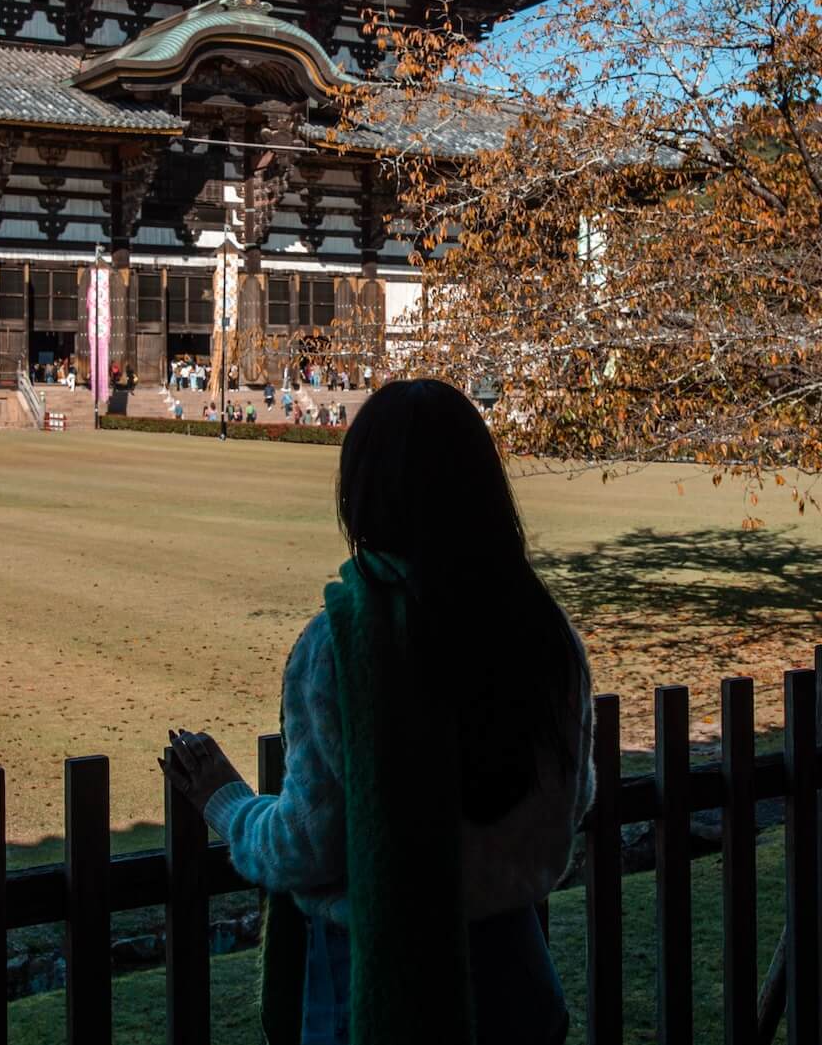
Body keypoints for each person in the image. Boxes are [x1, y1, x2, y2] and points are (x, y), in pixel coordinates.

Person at [160, 379, 593, 1045]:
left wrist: (227, 804)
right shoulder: (545, 631)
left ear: (361, 495)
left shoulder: (339, 645)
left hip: (374, 984)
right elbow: (572, 795)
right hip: (520, 977)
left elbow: (312, 843)